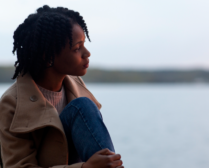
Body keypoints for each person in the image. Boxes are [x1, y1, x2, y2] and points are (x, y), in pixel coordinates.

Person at [0, 5, 124, 168]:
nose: (87, 53)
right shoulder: (11, 103)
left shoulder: (76, 87)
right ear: (48, 56)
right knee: (83, 106)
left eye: (84, 45)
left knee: (83, 106)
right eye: (77, 48)